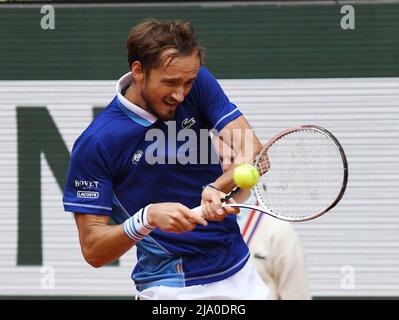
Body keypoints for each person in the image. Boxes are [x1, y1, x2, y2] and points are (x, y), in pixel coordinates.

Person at [62, 18, 269, 300]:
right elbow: (94, 249)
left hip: (241, 274)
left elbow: (252, 150)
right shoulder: (98, 143)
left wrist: (216, 188)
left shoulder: (198, 84)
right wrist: (147, 218)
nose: (180, 94)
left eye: (188, 82)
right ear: (138, 71)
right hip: (170, 288)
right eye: (170, 83)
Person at [214, 135, 312, 300]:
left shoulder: (278, 230)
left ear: (251, 164)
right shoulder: (190, 223)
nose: (225, 166)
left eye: (233, 158)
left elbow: (297, 295)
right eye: (218, 158)